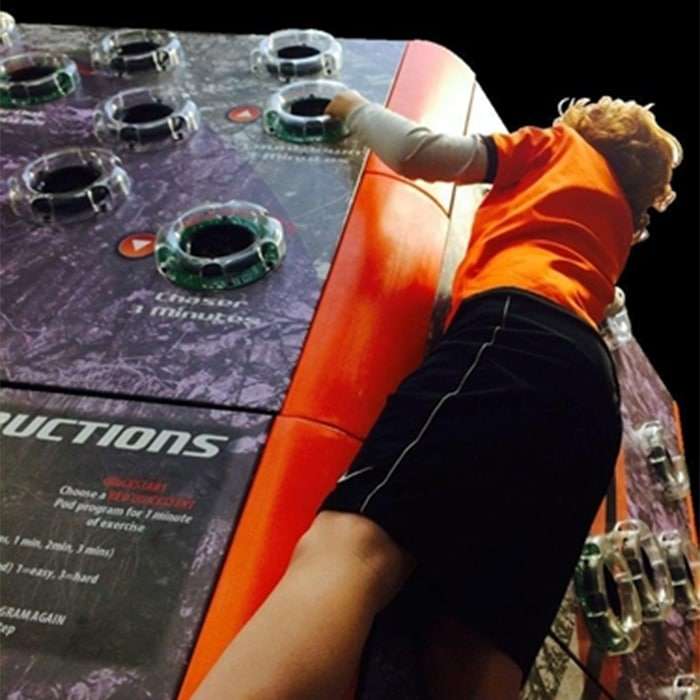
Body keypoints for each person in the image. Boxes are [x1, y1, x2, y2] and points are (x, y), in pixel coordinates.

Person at [192, 91, 682, 699]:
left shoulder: (557, 147)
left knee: (355, 549)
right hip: (593, 404)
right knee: (480, 646)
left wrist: (349, 107)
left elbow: (420, 152)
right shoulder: (614, 229)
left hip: (518, 338)